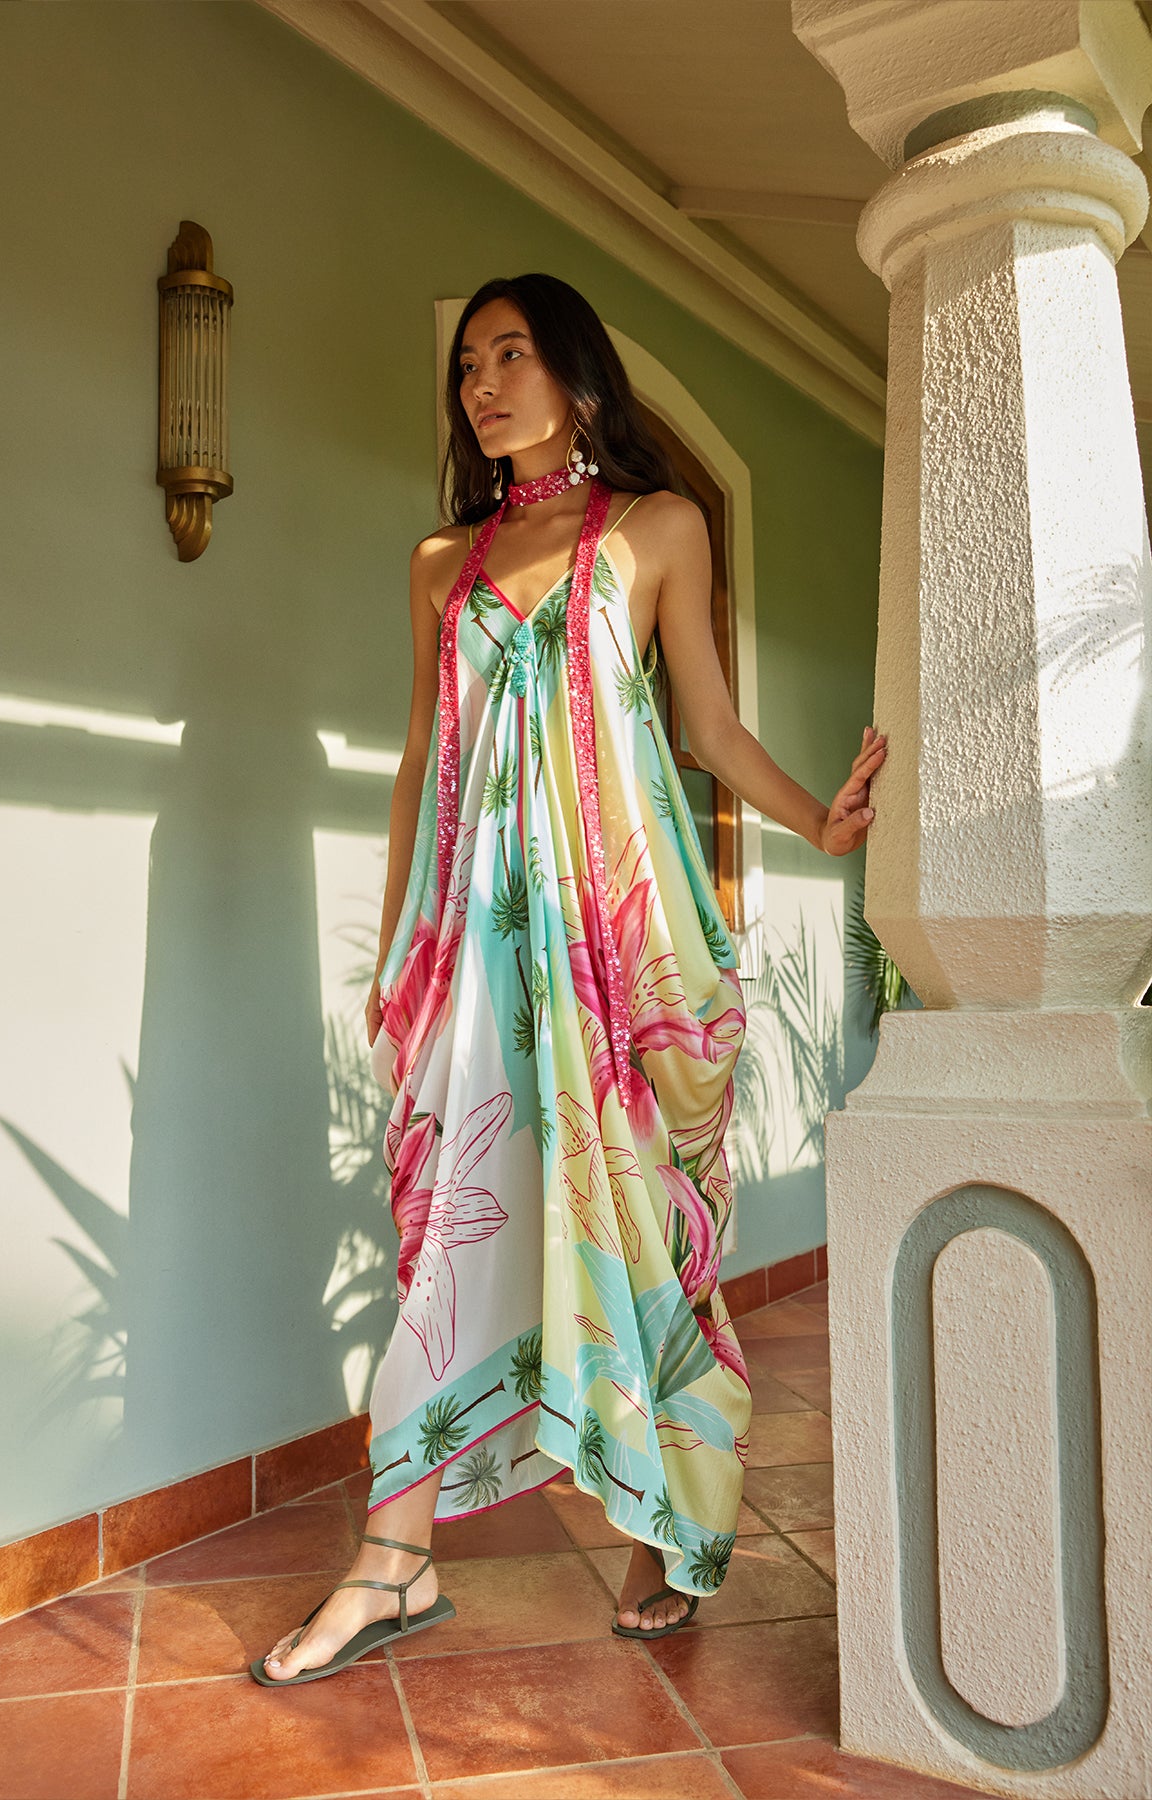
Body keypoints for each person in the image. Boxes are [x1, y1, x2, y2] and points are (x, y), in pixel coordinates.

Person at [252, 273, 885, 1685]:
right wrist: (402, 947)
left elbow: (708, 727)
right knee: (451, 1231)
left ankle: (665, 1522)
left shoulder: (661, 529)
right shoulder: (440, 564)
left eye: (511, 354)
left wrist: (818, 823)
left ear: (579, 378)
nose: (480, 384)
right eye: (467, 364)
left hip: (617, 949)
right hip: (475, 953)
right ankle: (394, 1561)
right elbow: (422, 763)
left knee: (639, 1226)